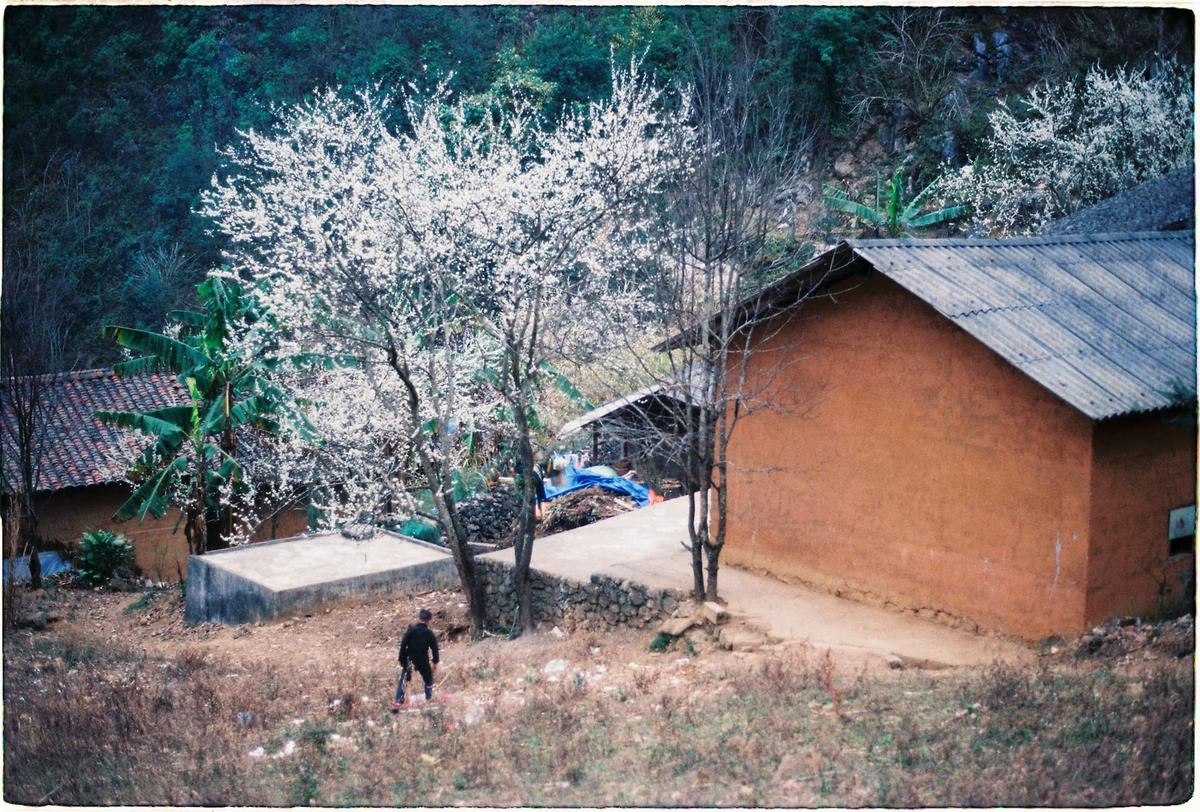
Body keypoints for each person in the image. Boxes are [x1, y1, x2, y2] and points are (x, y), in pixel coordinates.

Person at [392, 608, 439, 712]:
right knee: (428, 679)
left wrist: (401, 659)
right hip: (423, 661)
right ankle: (428, 698)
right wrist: (435, 662)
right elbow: (435, 649)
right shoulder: (429, 633)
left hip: (410, 660)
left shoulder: (411, 631)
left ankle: (398, 701)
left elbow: (403, 645)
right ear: (429, 620)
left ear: (419, 619)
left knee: (404, 680)